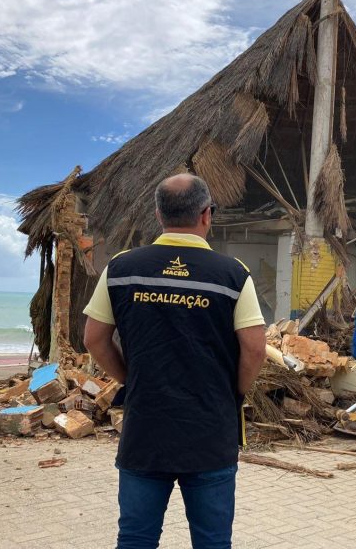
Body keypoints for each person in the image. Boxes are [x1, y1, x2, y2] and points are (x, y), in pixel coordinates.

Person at [83, 173, 266, 549]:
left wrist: (130, 377)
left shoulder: (121, 268)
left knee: (135, 538)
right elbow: (255, 349)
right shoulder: (232, 274)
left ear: (158, 214)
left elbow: (94, 339)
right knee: (213, 541)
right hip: (210, 433)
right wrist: (234, 390)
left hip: (145, 431)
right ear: (206, 214)